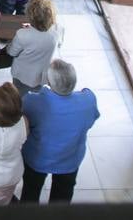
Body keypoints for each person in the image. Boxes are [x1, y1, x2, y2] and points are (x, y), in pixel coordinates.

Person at [21, 60, 99, 203]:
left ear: (49, 82)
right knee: (62, 197)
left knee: (30, 192)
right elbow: (92, 119)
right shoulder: (88, 100)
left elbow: (23, 125)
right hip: (69, 159)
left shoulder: (32, 101)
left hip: (37, 158)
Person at [5, 0, 62, 96]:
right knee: (36, 95)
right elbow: (58, 44)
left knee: (19, 95)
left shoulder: (22, 34)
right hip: (42, 75)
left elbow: (12, 52)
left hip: (22, 74)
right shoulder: (58, 30)